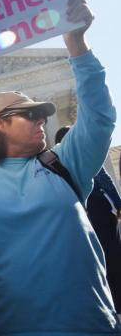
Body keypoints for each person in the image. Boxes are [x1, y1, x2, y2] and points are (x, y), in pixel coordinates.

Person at [0, 0, 121, 334]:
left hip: (89, 328)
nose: (42, 119)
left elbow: (99, 117)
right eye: (30, 113)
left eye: (43, 113)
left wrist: (77, 44)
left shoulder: (65, 163)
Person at [55, 125, 121, 313]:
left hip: (80, 213)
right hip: (99, 209)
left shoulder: (57, 160)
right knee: (112, 254)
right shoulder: (83, 153)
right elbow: (104, 180)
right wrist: (118, 204)